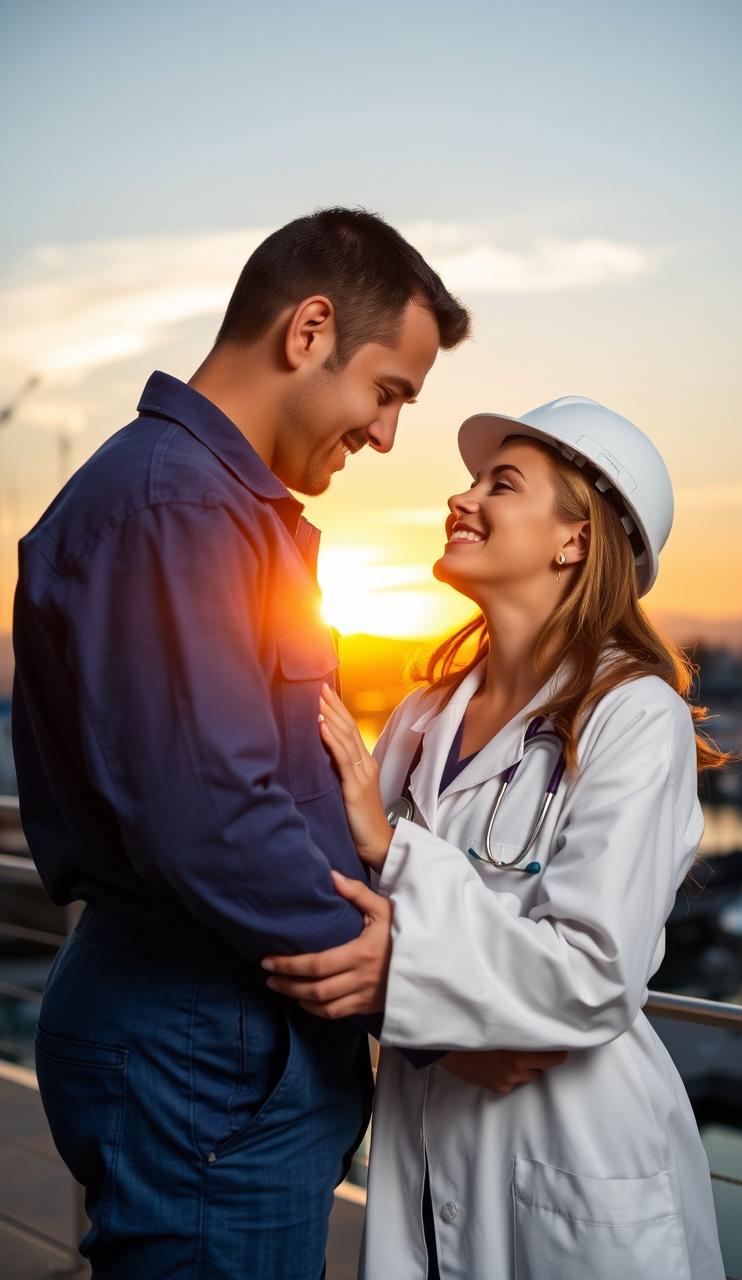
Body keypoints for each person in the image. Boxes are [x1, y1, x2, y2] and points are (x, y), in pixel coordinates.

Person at [11, 207, 473, 1279]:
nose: (386, 434)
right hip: (200, 1040)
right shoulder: (175, 509)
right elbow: (209, 812)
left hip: (213, 1039)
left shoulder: (210, 508)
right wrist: (415, 986)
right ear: (309, 330)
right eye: (388, 391)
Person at [264, 395, 728, 1280]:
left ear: (576, 540)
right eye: (474, 478)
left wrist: (393, 848)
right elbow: (351, 906)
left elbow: (594, 970)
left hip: (574, 1147)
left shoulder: (635, 715)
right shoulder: (419, 718)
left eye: (501, 484)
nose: (462, 498)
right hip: (429, 1127)